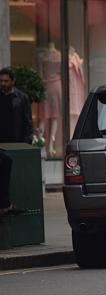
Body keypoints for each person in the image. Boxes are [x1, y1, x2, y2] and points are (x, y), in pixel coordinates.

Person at [0, 67, 31, 215]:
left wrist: (26, 142)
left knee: (15, 175)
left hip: (16, 143)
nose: (3, 84)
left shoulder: (21, 97)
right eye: (1, 81)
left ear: (13, 81)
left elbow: (27, 122)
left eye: (6, 81)